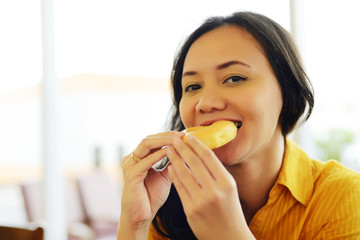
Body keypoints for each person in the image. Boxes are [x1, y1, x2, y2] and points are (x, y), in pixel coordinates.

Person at [117, 11, 360, 240]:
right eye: (192, 86)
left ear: (286, 92)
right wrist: (135, 225)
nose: (206, 103)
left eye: (235, 78)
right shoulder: (165, 200)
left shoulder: (345, 197)